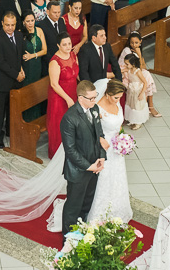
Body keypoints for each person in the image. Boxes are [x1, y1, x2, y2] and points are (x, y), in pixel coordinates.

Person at [60, 80, 106, 233]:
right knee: (73, 207)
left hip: (94, 167)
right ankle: (68, 239)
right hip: (78, 170)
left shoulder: (94, 109)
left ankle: (81, 231)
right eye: (91, 98)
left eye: (95, 97)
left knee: (87, 203)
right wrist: (88, 166)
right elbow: (70, 150)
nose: (94, 101)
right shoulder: (70, 118)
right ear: (80, 98)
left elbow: (100, 135)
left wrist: (102, 157)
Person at [86, 80, 132, 223]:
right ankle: (98, 212)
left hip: (116, 149)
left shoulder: (116, 103)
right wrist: (100, 140)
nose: (118, 100)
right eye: (116, 97)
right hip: (103, 149)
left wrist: (123, 139)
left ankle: (117, 209)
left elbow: (118, 125)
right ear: (107, 94)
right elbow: (90, 130)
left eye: (120, 97)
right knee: (104, 179)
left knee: (117, 178)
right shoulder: (97, 108)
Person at [0, 12, 24, 149]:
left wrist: (21, 69)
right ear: (2, 24)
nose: (10, 28)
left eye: (13, 25)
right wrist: (16, 74)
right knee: (0, 111)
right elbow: (0, 62)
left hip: (16, 80)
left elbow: (19, 56)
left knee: (12, 108)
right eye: (7, 25)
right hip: (2, 81)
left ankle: (10, 131)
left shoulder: (19, 35)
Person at [46, 32, 79, 157]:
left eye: (69, 43)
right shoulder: (55, 62)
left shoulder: (73, 55)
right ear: (58, 45)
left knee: (72, 123)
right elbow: (54, 84)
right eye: (64, 44)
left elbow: (76, 74)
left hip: (73, 92)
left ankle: (71, 150)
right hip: (59, 96)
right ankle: (58, 154)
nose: (68, 47)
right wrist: (67, 99)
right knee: (60, 124)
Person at [118, 31, 158, 117]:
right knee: (146, 76)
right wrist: (139, 55)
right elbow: (138, 67)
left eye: (136, 42)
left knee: (147, 75)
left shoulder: (137, 50)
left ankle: (148, 105)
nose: (134, 45)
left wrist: (139, 54)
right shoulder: (127, 50)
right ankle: (147, 106)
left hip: (133, 69)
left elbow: (144, 67)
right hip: (125, 70)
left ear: (140, 41)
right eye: (131, 42)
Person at [122, 53, 152, 129]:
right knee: (131, 105)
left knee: (137, 106)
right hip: (131, 91)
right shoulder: (129, 70)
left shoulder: (138, 72)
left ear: (133, 64)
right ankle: (132, 119)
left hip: (138, 92)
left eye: (127, 64)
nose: (125, 65)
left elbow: (145, 82)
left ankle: (138, 122)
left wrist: (142, 93)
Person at [19, 12, 47, 87]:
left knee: (37, 87)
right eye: (28, 21)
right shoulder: (19, 33)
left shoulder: (39, 30)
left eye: (32, 20)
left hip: (37, 65)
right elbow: (16, 54)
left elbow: (44, 51)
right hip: (26, 66)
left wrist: (32, 55)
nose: (30, 23)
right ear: (23, 22)